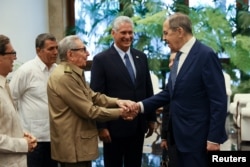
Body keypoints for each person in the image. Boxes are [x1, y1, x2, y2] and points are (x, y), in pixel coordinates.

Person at [131, 12, 228, 167]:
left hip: (198, 139)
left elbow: (219, 100)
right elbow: (170, 93)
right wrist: (139, 106)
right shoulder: (178, 57)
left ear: (180, 32)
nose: (164, 38)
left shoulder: (206, 55)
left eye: (166, 33)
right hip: (175, 138)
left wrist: (214, 138)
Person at [47, 35, 137, 167]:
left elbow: (93, 96)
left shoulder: (73, 73)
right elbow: (89, 111)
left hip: (78, 145)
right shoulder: (64, 77)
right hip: (73, 148)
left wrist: (118, 101)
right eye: (83, 50)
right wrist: (120, 113)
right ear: (70, 54)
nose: (87, 53)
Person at [90, 15, 156, 167]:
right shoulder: (102, 59)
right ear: (113, 33)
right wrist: (102, 127)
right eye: (123, 33)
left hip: (138, 125)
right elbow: (97, 95)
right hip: (114, 127)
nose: (128, 36)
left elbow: (147, 88)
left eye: (130, 32)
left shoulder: (141, 57)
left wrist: (151, 118)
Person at [9, 33, 58, 167]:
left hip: (54, 136)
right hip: (33, 138)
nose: (55, 52)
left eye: (56, 48)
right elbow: (10, 99)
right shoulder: (26, 71)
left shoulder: (57, 71)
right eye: (51, 49)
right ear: (38, 50)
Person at [0, 34, 37, 167]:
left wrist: (22, 134)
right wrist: (23, 144)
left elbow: (5, 123)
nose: (15, 58)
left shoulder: (5, 85)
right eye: (12, 53)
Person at [160, 52, 178, 167]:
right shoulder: (170, 81)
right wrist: (164, 137)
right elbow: (166, 111)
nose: (171, 65)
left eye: (174, 61)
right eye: (169, 61)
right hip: (172, 136)